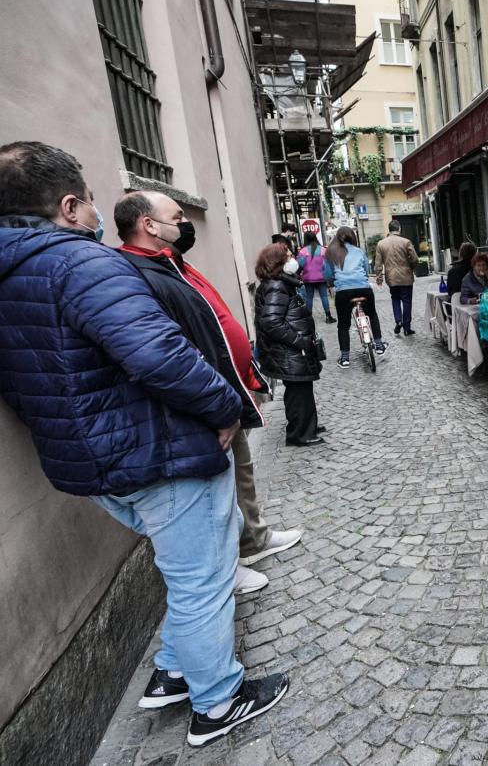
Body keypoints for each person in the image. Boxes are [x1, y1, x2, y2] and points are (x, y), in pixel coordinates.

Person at [0, 142, 287, 745]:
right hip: (157, 452)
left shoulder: (14, 275)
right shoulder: (81, 263)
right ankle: (218, 702)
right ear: (70, 205)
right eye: (91, 203)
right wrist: (225, 404)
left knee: (181, 571)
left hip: (90, 462)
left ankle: (173, 674)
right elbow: (159, 353)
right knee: (202, 580)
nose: (96, 216)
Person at [114, 190, 304, 596]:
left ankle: (253, 538)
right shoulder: (137, 272)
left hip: (223, 391)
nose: (185, 223)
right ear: (149, 225)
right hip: (202, 402)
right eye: (177, 215)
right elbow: (168, 351)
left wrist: (245, 380)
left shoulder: (173, 263)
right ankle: (227, 566)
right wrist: (213, 402)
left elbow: (216, 326)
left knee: (241, 470)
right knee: (214, 491)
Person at [254, 243, 324, 447]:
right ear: (278, 262)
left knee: (302, 389)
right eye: (288, 256)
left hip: (290, 350)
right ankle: (299, 434)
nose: (293, 259)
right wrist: (299, 341)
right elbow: (271, 322)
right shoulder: (276, 286)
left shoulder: (280, 283)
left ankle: (307, 426)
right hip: (288, 351)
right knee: (298, 391)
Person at [324, 226, 387, 368]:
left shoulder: (331, 252)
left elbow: (328, 274)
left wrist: (333, 282)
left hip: (343, 292)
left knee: (343, 325)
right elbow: (366, 269)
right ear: (353, 237)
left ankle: (345, 358)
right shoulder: (359, 251)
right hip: (363, 289)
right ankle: (379, 345)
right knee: (372, 314)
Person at [374, 220, 419, 336]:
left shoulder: (381, 244)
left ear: (389, 229)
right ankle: (407, 327)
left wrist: (379, 279)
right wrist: (411, 268)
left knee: (395, 299)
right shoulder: (406, 242)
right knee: (407, 301)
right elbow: (415, 259)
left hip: (391, 277)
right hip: (406, 277)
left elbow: (378, 264)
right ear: (399, 229)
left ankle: (398, 321)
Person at [296, 231, 334, 324]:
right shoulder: (323, 250)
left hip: (308, 278)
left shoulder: (303, 251)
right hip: (322, 277)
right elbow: (329, 264)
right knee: (324, 296)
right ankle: (328, 316)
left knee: (309, 297)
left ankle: (309, 318)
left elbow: (299, 265)